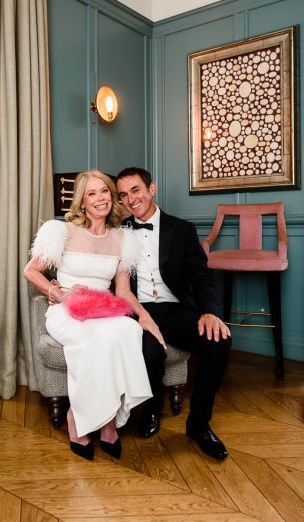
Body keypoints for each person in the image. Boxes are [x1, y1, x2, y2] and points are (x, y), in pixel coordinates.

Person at [24, 170, 158, 461]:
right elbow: (31, 270)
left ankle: (108, 422)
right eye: (92, 193)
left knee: (127, 330)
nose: (101, 199)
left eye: (105, 192)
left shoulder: (123, 239)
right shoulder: (62, 232)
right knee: (97, 338)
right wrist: (57, 293)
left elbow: (123, 292)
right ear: (82, 202)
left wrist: (144, 316)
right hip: (66, 311)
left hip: (102, 310)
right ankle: (79, 419)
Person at [116, 167, 232, 460]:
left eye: (135, 190)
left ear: (151, 188)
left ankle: (198, 424)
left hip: (176, 309)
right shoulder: (117, 234)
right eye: (123, 195)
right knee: (151, 353)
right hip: (139, 312)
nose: (130, 200)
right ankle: (152, 408)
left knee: (218, 341)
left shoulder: (182, 230)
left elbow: (202, 278)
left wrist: (209, 312)